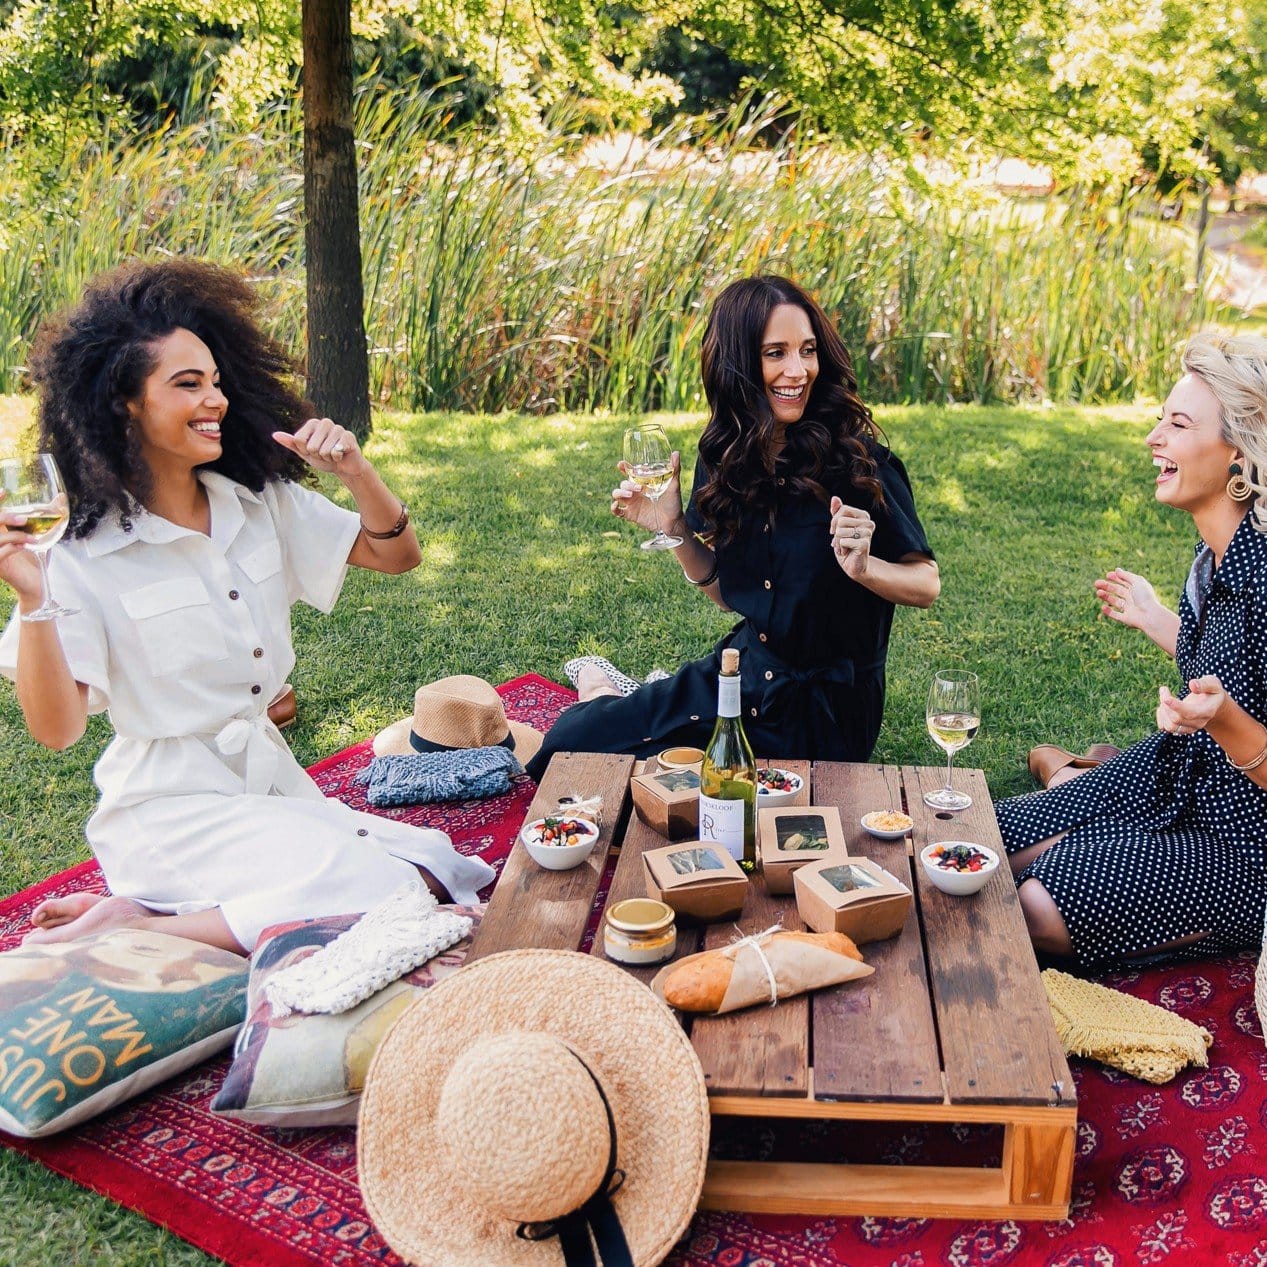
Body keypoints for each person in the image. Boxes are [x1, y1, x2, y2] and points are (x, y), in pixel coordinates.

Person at [0, 260, 493, 955]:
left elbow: (396, 553)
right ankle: (134, 928)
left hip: (266, 780)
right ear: (125, 403)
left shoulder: (256, 502)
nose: (216, 400)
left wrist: (357, 472)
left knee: (442, 864)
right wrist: (33, 595)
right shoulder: (78, 557)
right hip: (167, 810)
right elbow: (56, 729)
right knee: (383, 891)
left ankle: (145, 913)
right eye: (187, 384)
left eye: (216, 381)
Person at [525, 275, 939, 783]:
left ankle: (610, 692)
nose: (797, 370)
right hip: (739, 673)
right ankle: (606, 695)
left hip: (825, 712)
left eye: (807, 351)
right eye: (775, 353)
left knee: (693, 797)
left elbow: (926, 584)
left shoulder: (860, 463)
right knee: (566, 753)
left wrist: (866, 568)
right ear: (739, 363)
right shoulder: (725, 455)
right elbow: (727, 595)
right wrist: (675, 528)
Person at [996, 331, 1267, 970]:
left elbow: (1230, 702)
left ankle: (1075, 774)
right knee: (991, 845)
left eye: (1176, 424)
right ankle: (1076, 776)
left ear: (1237, 451)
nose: (1153, 438)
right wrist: (1161, 621)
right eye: (1159, 420)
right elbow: (1233, 669)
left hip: (1245, 845)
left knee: (1035, 905)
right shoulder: (1216, 555)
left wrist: (1221, 722)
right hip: (1177, 771)